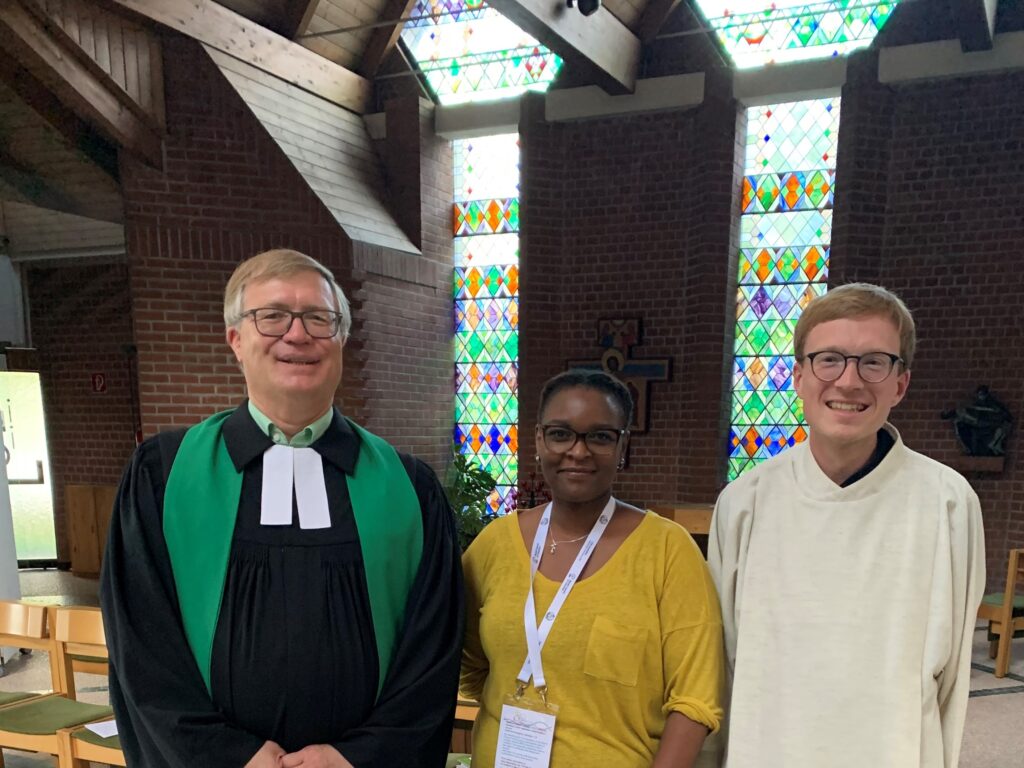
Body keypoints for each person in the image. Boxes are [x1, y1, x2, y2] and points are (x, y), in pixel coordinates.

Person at [100, 249, 463, 768]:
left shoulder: (409, 487)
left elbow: (433, 653)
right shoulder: (163, 475)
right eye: (271, 316)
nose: (297, 334)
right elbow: (141, 646)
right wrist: (226, 757)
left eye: (319, 317)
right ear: (236, 340)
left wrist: (357, 757)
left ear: (341, 339)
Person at [709, 283, 986, 767]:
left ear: (900, 383)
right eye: (829, 359)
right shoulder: (745, 502)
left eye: (874, 362)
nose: (850, 381)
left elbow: (954, 680)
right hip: (766, 747)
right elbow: (722, 667)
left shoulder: (948, 502)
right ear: (797, 376)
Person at [461, 370, 724, 768]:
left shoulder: (668, 552)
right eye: (561, 433)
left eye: (600, 436)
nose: (578, 451)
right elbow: (469, 663)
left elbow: (695, 700)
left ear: (624, 446)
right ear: (538, 439)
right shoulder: (493, 545)